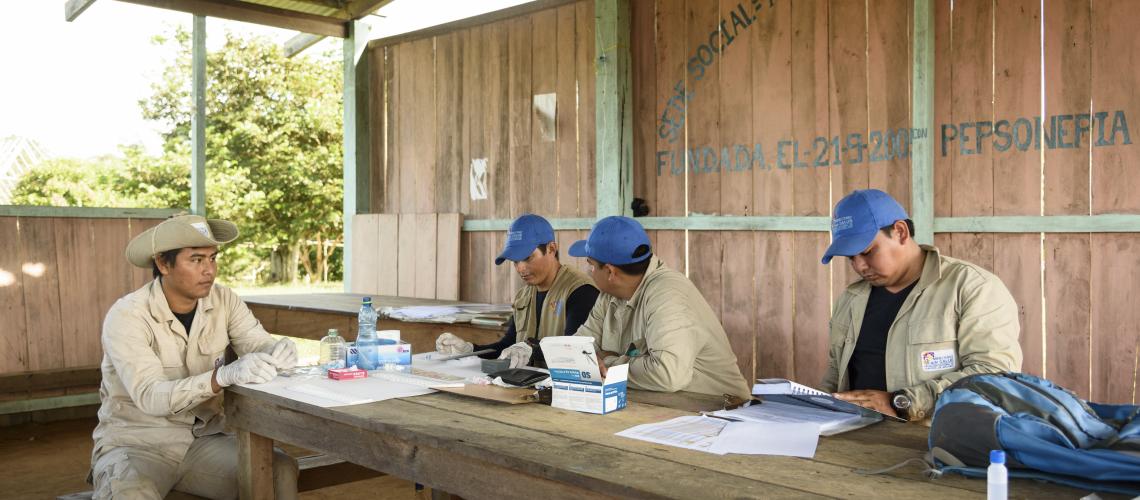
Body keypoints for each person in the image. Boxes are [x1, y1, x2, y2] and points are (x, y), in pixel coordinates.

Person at [91, 214, 299, 499]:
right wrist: (222, 376)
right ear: (163, 263)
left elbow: (257, 343)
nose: (209, 270)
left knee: (279, 470)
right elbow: (151, 396)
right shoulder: (128, 315)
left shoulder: (224, 300)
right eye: (197, 260)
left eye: (213, 258)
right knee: (130, 494)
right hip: (137, 443)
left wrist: (277, 352)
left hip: (203, 440)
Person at [819, 189, 1023, 422]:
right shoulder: (850, 299)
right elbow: (836, 373)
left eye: (867, 252)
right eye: (851, 258)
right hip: (853, 439)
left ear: (900, 232)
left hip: (938, 445)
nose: (860, 266)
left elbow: (994, 376)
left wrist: (903, 402)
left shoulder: (972, 288)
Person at [568, 216, 752, 402]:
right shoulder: (609, 295)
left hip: (720, 416)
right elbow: (574, 350)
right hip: (658, 412)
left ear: (610, 272)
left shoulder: (667, 293)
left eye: (590, 265)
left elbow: (667, 374)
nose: (588, 272)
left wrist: (607, 361)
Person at [435, 214, 598, 368]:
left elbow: (575, 350)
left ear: (551, 249)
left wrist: (533, 350)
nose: (520, 268)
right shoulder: (524, 296)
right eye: (515, 261)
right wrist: (471, 350)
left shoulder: (580, 291)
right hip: (524, 385)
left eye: (528, 258)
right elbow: (508, 346)